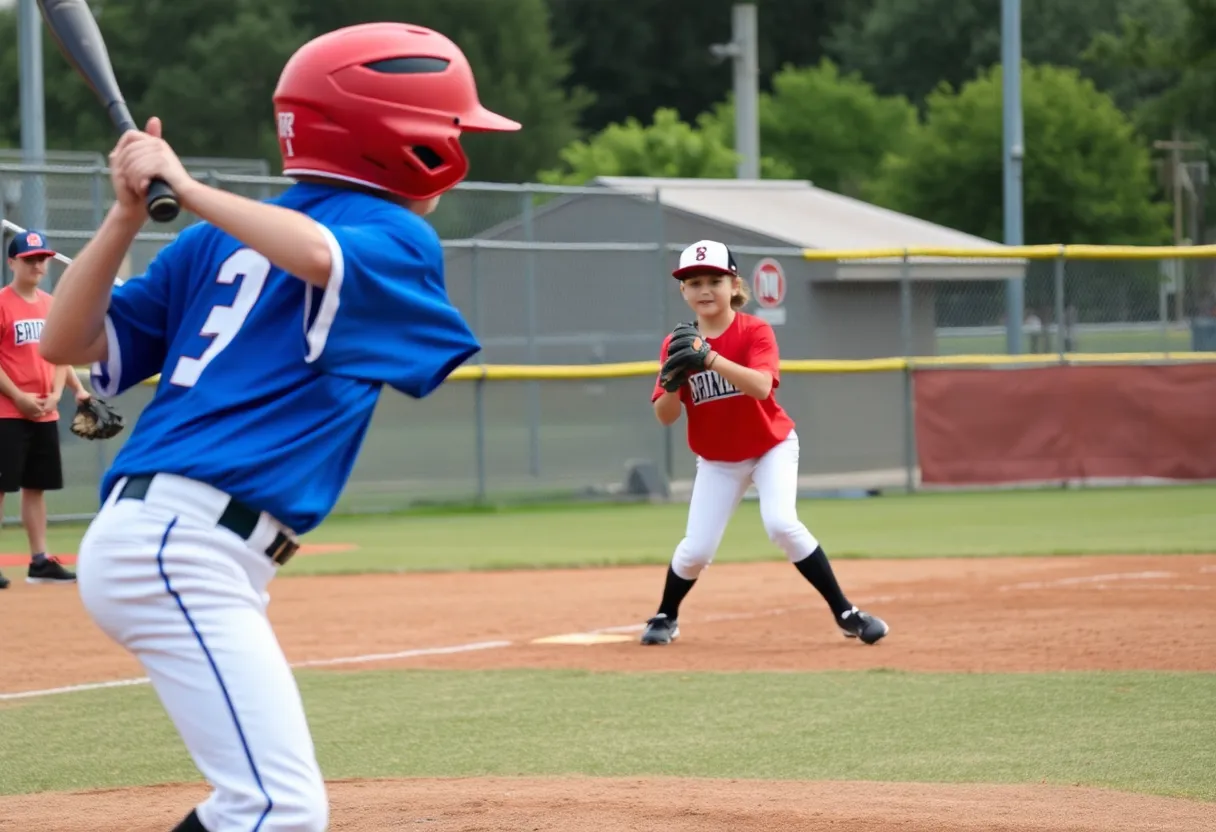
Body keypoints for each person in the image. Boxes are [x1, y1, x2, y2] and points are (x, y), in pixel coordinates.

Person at [38, 23, 519, 832]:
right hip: (182, 541)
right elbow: (67, 343)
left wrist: (190, 196)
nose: (459, 140)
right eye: (449, 125)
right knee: (279, 810)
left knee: (262, 806)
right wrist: (130, 214)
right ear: (398, 140)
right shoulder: (392, 233)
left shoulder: (253, 235)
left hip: (185, 543)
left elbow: (317, 253)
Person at [639, 239, 889, 647]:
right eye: (694, 282)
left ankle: (847, 613)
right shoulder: (677, 343)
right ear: (683, 292)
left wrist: (709, 359)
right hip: (718, 459)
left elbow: (759, 387)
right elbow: (666, 416)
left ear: (734, 284)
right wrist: (672, 381)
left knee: (781, 523)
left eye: (715, 280)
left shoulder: (755, 330)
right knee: (696, 549)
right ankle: (666, 615)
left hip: (771, 445)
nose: (704, 289)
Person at [0, 229, 91, 589]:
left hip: (44, 411)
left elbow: (60, 356)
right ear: (12, 263)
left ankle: (39, 561)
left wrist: (67, 393)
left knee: (35, 487)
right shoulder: (2, 303)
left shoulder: (52, 305)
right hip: (7, 411)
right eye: (30, 259)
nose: (38, 264)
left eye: (42, 259)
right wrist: (19, 397)